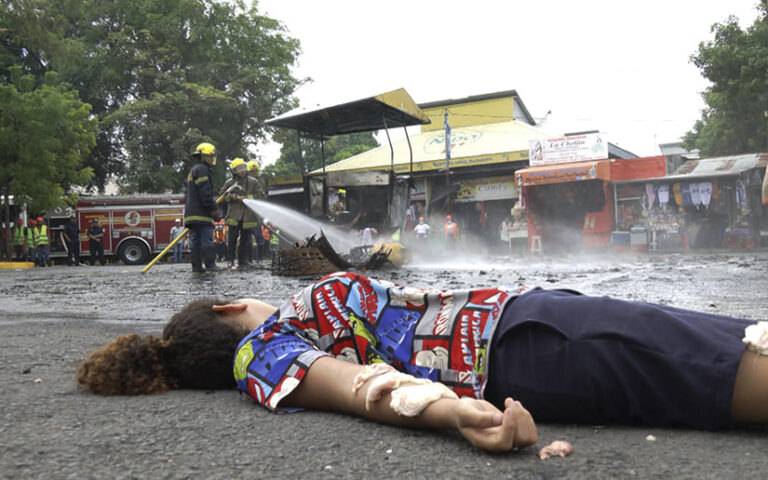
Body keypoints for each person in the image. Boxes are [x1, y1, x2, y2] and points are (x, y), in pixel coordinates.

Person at [76, 271, 768, 453]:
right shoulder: (260, 349)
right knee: (718, 362)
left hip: (538, 329)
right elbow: (366, 389)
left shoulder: (270, 359)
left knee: (733, 343)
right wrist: (453, 413)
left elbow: (356, 382)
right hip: (530, 344)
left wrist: (448, 409)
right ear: (230, 308)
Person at [184, 142, 222, 274]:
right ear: (204, 156)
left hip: (191, 214)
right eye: (210, 156)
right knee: (206, 240)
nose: (212, 159)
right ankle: (210, 265)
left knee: (195, 241)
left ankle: (196, 267)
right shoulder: (203, 170)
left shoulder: (193, 170)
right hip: (202, 213)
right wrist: (213, 208)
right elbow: (205, 192)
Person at [219, 158, 260, 271]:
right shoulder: (229, 183)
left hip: (248, 216)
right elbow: (221, 196)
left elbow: (261, 195)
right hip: (234, 215)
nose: (242, 171)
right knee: (232, 239)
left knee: (245, 239)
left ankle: (243, 261)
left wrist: (247, 198)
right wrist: (233, 197)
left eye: (243, 168)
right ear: (234, 171)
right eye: (239, 169)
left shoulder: (253, 182)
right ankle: (231, 261)